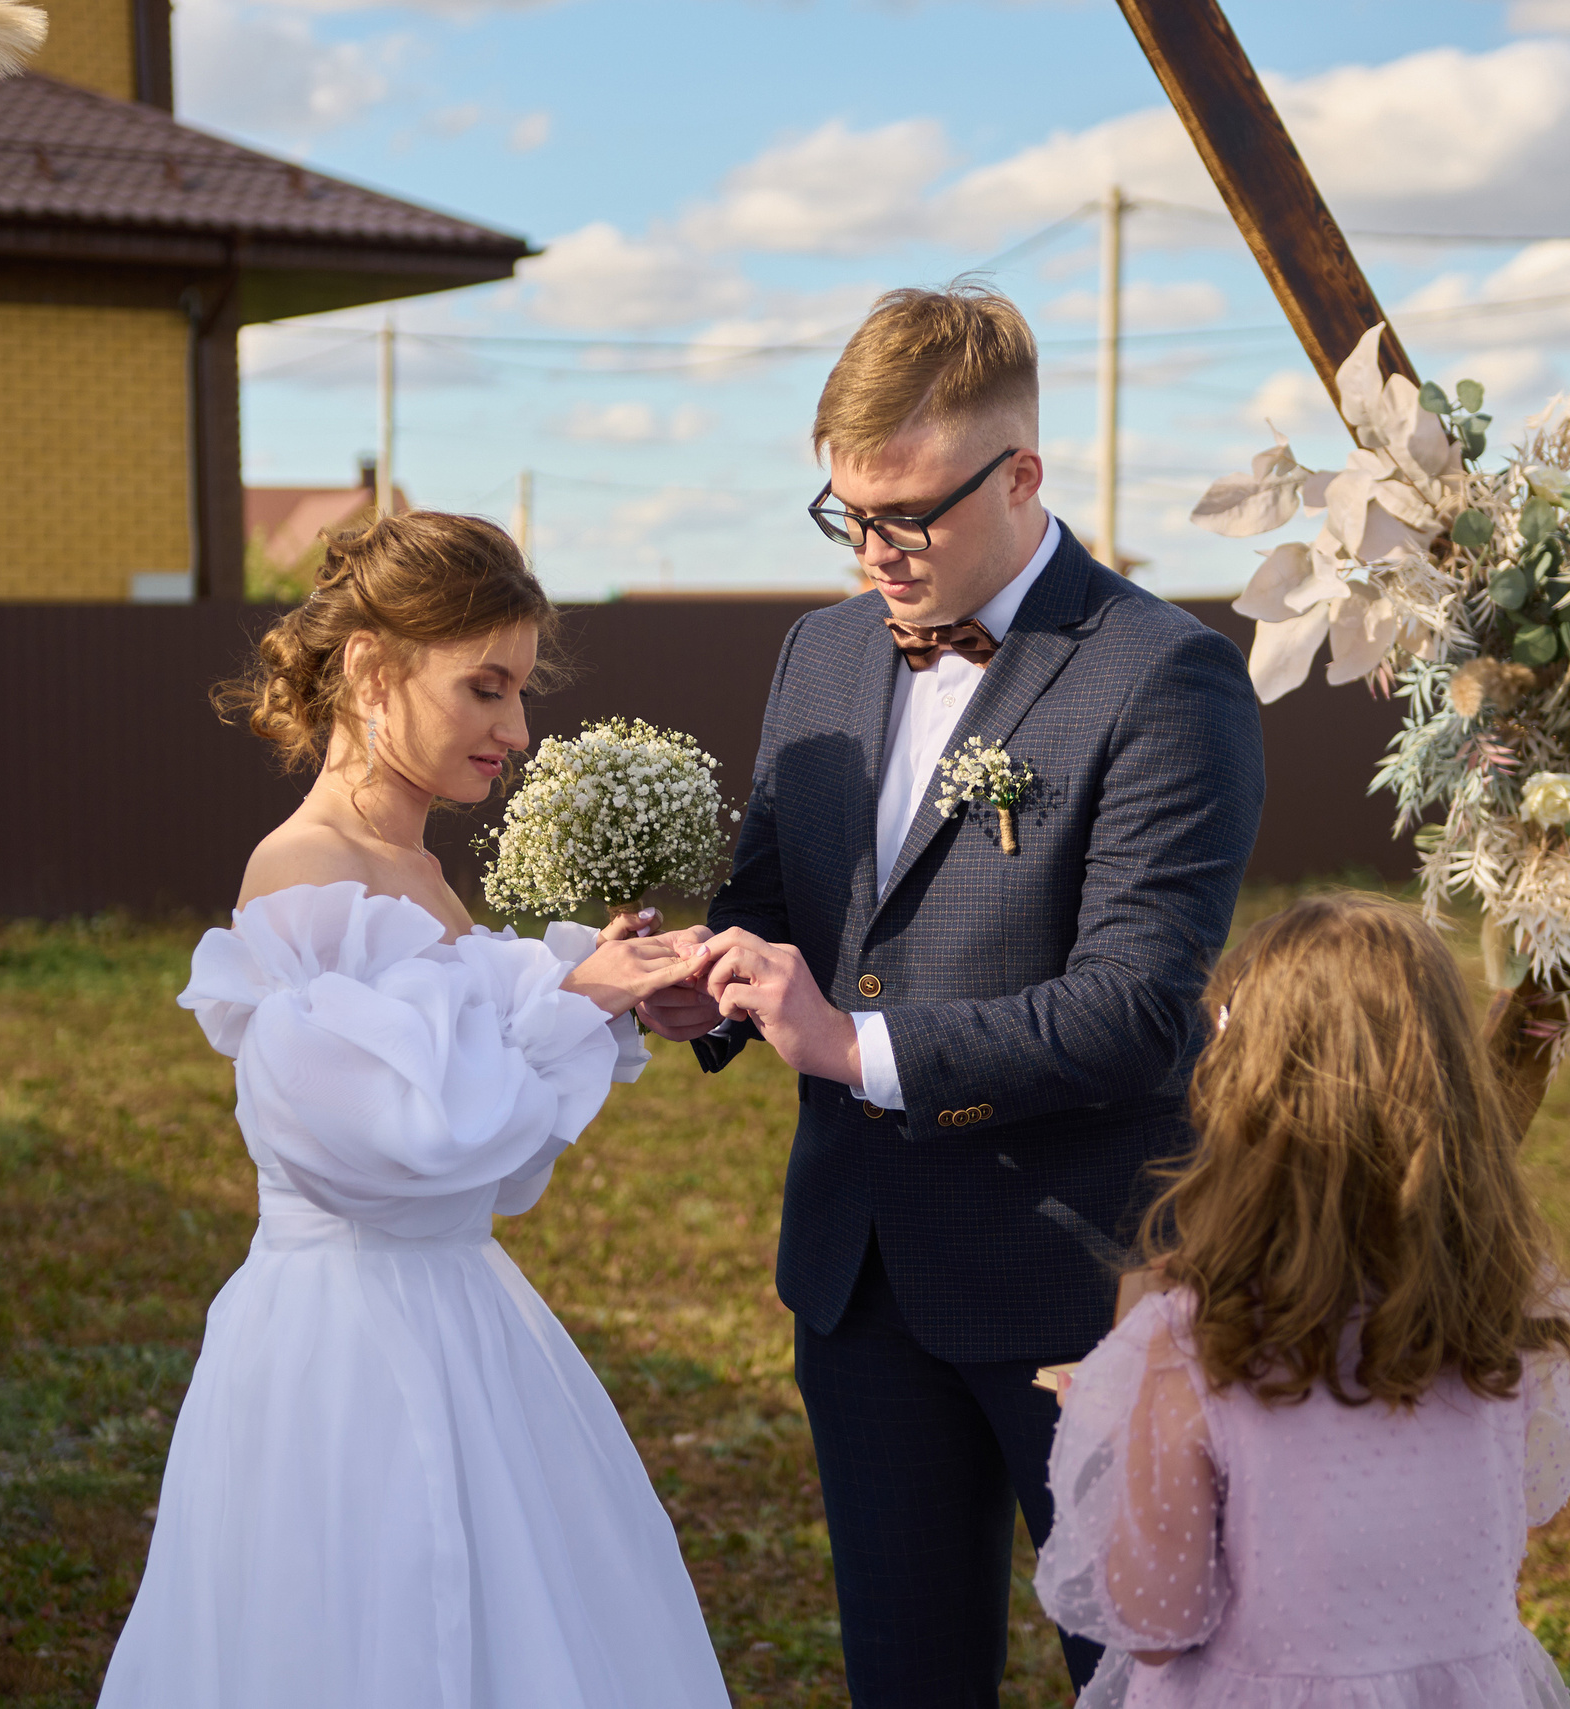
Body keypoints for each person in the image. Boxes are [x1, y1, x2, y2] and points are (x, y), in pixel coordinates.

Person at [641, 284, 1267, 1708]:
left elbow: (1139, 1010)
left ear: (1023, 475)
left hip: (1080, 1283)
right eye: (846, 513)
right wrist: (701, 983)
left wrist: (852, 1045)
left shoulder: (1164, 677)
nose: (874, 553)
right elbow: (774, 904)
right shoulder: (821, 651)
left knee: (1150, 1667)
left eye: (909, 514)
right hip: (855, 1278)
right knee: (905, 1675)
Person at [97, 513, 732, 1709]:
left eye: (522, 688)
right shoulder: (302, 873)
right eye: (485, 687)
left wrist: (606, 998)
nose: (518, 728)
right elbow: (399, 1139)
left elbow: (484, 1159)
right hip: (347, 1348)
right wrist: (567, 1004)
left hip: (463, 1317)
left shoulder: (426, 874)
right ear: (372, 670)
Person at [1034, 893, 1570, 1709]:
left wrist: (1118, 1418)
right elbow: (1526, 1496)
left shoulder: (1186, 1341)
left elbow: (1156, 1619)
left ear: (1243, 1091)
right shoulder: (1501, 1309)